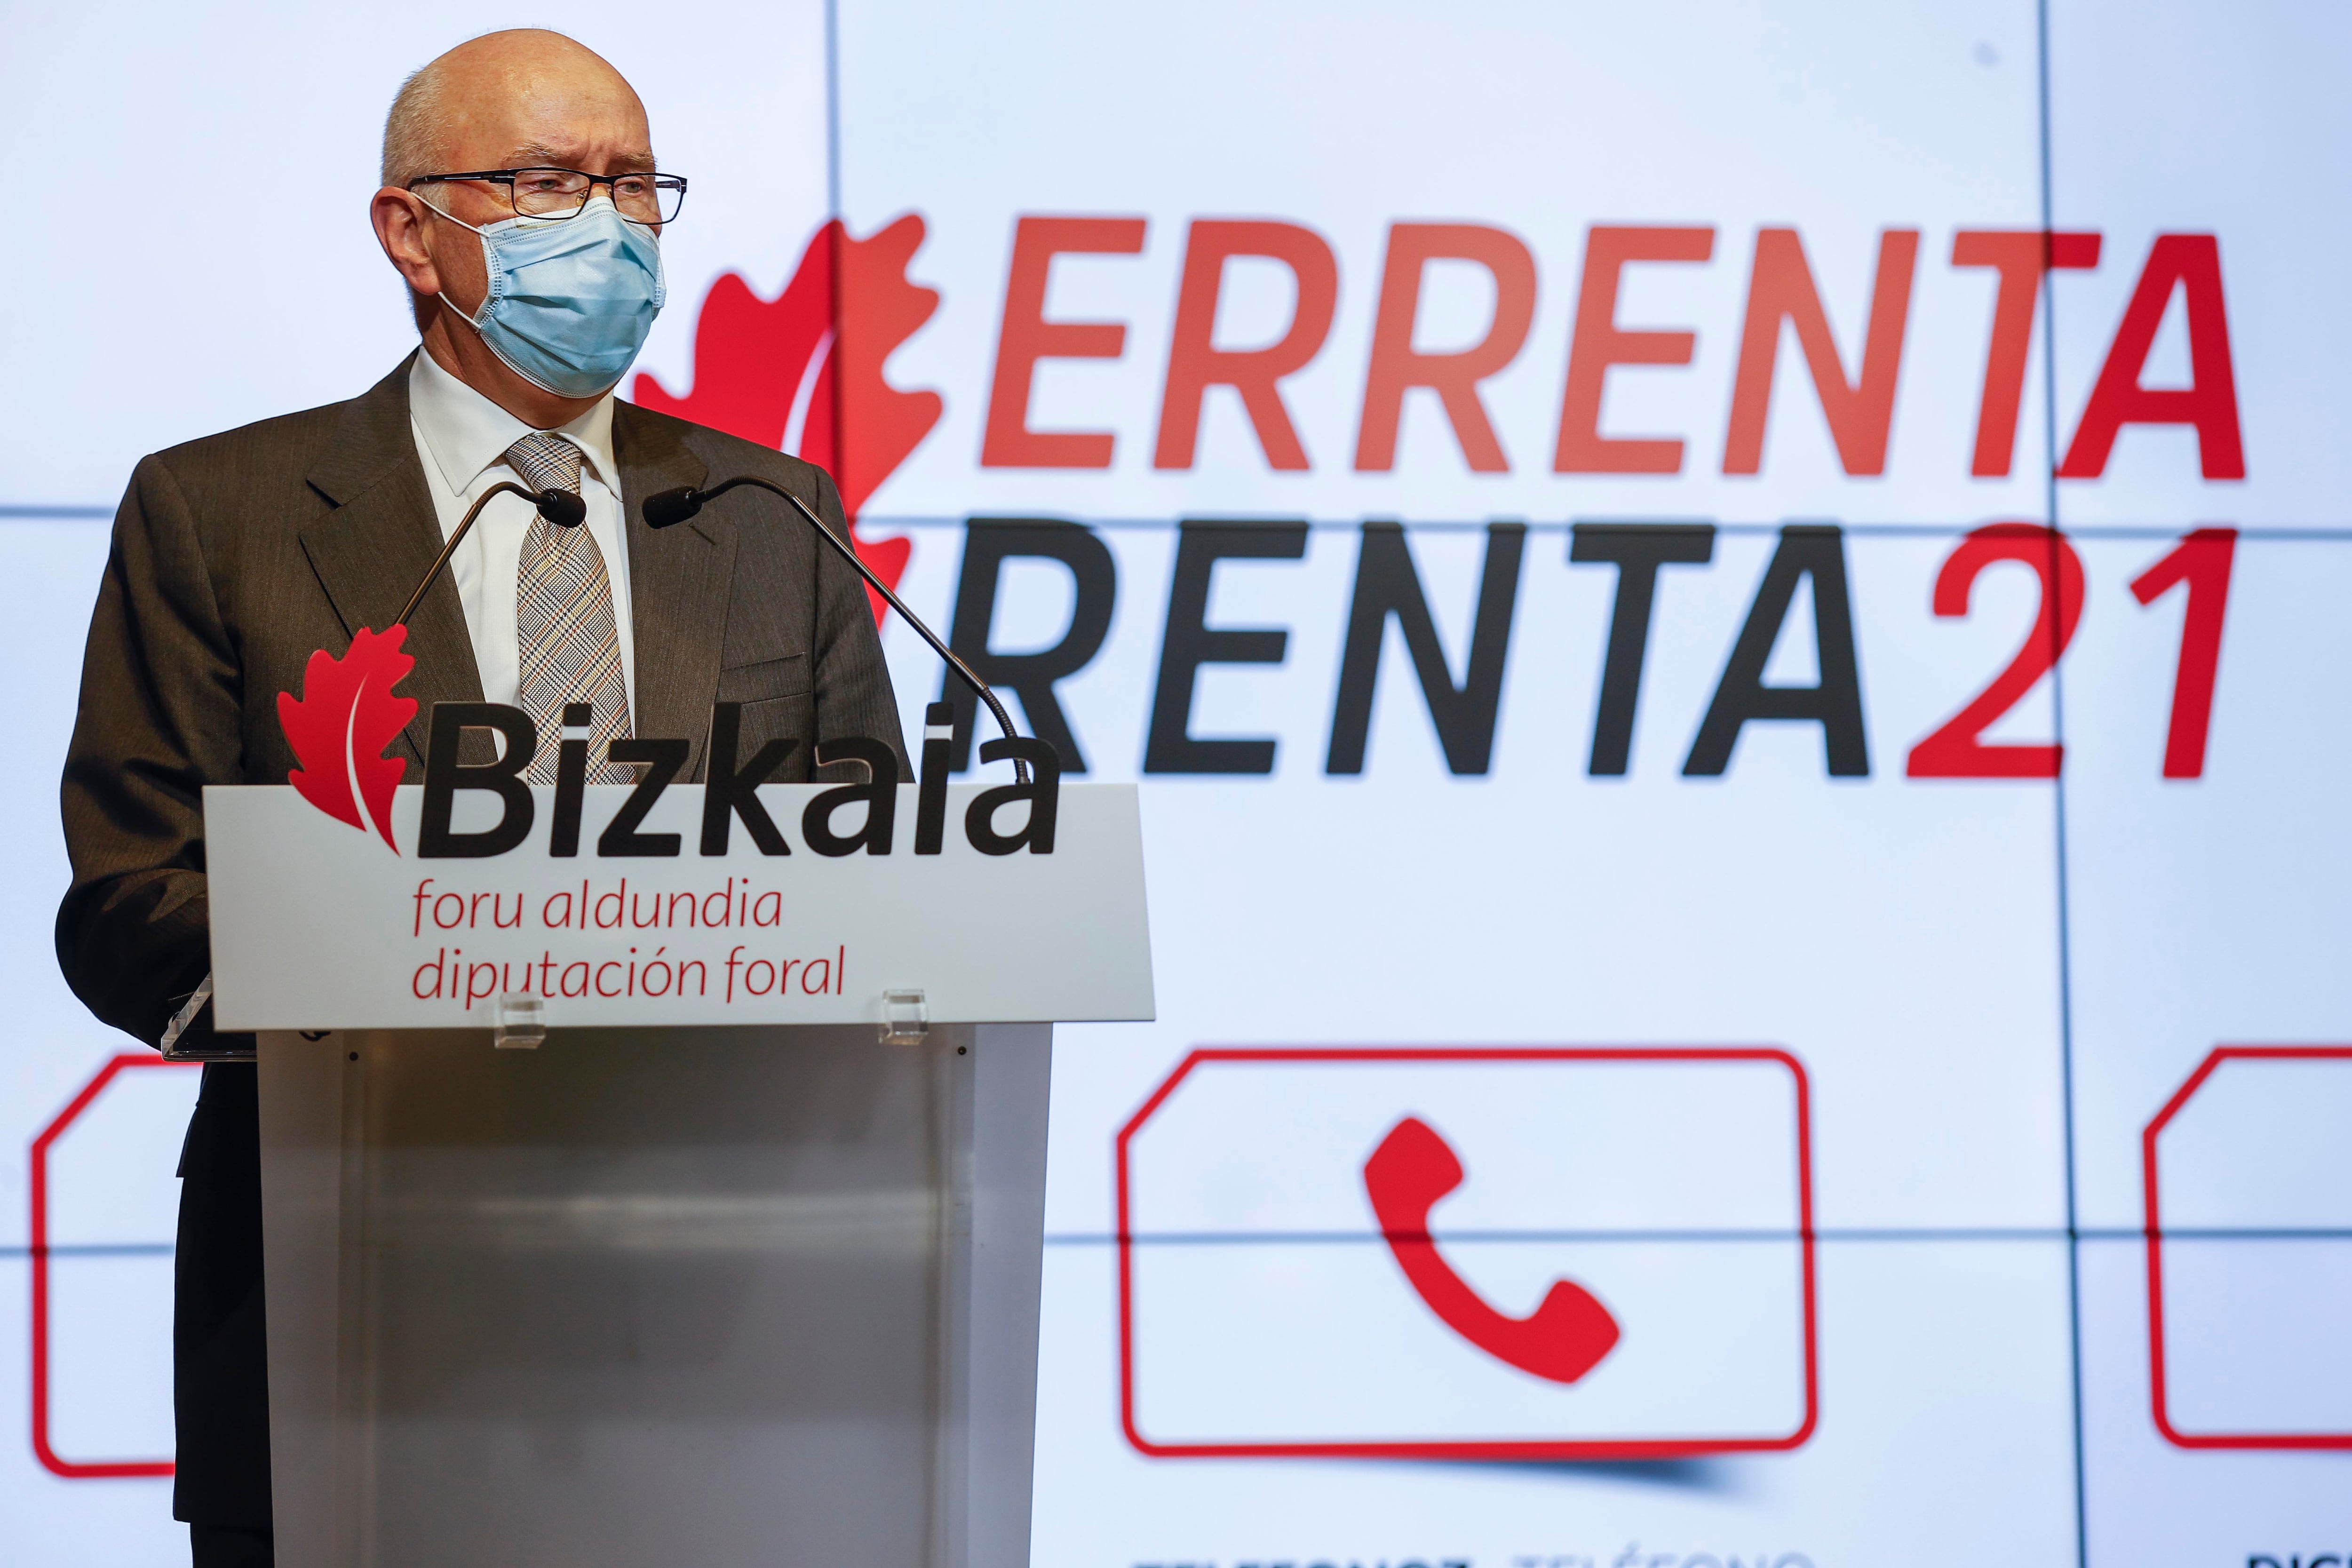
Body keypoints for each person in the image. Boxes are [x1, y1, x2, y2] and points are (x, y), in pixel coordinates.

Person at [53, 30, 905, 1567]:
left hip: (742, 1332)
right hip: (347, 1298)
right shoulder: (220, 513)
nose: (612, 226)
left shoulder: (778, 515)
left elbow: (882, 877)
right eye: (545, 182)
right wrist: (412, 962)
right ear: (410, 231)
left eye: (638, 187)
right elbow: (132, 899)